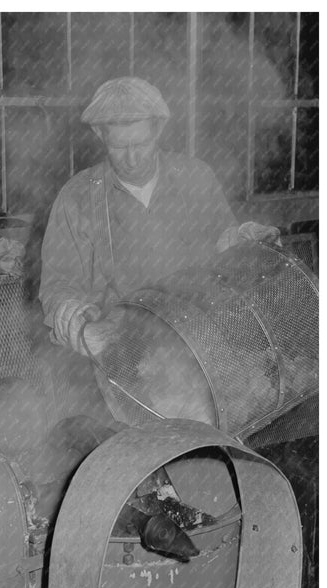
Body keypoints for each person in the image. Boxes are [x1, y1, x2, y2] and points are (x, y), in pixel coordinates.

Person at [38, 76, 279, 422]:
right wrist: (71, 313)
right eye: (119, 147)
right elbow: (59, 284)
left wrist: (243, 240)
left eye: (141, 142)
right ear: (100, 136)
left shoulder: (195, 178)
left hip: (202, 347)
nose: (132, 158)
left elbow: (224, 253)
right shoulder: (77, 198)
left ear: (159, 130)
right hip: (122, 361)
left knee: (220, 432)